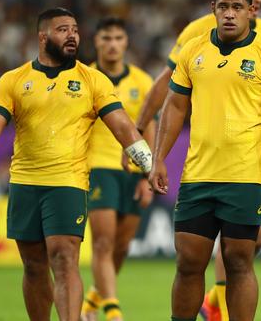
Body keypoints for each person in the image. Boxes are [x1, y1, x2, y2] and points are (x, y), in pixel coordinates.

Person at [0, 7, 152, 321]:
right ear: (43, 36)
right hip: (25, 183)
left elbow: (124, 127)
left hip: (68, 183)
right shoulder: (14, 80)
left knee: (64, 259)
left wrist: (148, 165)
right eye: (63, 29)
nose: (72, 35)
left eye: (75, 29)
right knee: (34, 266)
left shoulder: (92, 80)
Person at [148, 0, 261, 321]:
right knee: (187, 261)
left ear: (252, 10)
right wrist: (158, 159)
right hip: (198, 175)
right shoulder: (193, 50)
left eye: (237, 7)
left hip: (246, 176)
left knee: (238, 261)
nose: (229, 14)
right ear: (212, 9)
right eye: (223, 6)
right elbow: (173, 107)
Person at [80, 17, 156, 321]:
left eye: (117, 38)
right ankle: (113, 311)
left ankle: (92, 302)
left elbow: (149, 127)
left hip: (132, 173)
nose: (112, 44)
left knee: (122, 247)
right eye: (105, 38)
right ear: (96, 42)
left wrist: (147, 176)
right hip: (96, 166)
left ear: (126, 43)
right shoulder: (83, 78)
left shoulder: (142, 81)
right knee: (103, 242)